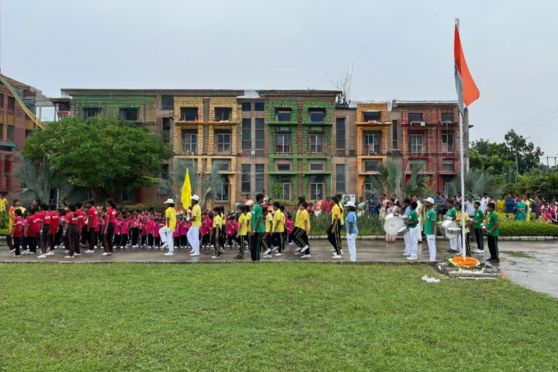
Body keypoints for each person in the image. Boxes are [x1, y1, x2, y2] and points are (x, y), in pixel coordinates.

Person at [250, 193, 265, 262]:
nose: (263, 200)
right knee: (257, 245)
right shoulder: (259, 208)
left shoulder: (253, 207)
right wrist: (254, 229)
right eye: (263, 198)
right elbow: (258, 219)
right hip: (258, 229)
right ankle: (257, 259)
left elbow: (252, 218)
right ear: (260, 199)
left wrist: (252, 228)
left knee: (253, 244)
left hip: (253, 228)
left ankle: (253, 259)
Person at [423, 197, 437, 262]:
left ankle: (433, 260)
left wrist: (432, 233)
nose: (425, 203)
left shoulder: (432, 212)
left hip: (430, 232)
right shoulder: (428, 211)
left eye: (426, 202)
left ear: (430, 203)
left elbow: (433, 223)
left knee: (432, 247)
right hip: (427, 232)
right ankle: (431, 259)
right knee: (430, 246)